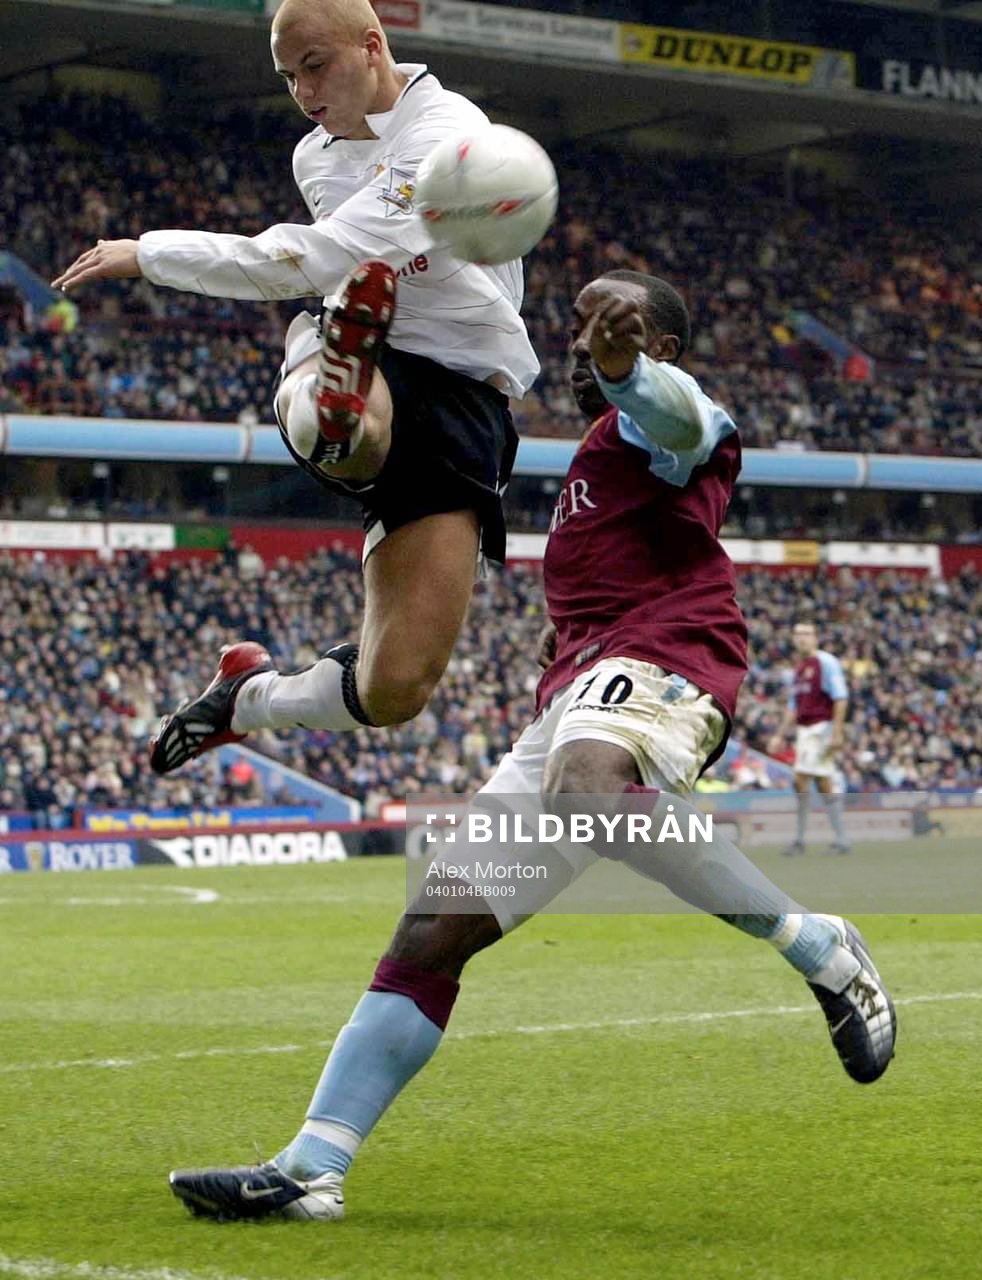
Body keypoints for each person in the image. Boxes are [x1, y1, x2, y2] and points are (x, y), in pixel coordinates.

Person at [167, 270, 896, 1223]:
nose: (584, 335)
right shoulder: (594, 455)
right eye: (583, 319)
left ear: (658, 347)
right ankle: (313, 1168)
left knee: (587, 783)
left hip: (662, 666)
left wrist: (632, 370)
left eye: (612, 322)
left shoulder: (668, 423)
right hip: (579, 693)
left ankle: (820, 946)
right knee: (432, 932)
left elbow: (681, 423)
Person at [51, 0, 539, 768]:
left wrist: (150, 252)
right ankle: (333, 389)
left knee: (395, 689)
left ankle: (248, 696)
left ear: (372, 46)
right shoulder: (314, 156)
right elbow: (323, 270)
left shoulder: (443, 137)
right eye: (286, 75)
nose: (302, 90)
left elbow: (313, 256)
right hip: (375, 348)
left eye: (316, 65)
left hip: (465, 394)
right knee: (350, 410)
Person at [769, 621, 851, 855]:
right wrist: (779, 735)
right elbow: (793, 707)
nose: (801, 638)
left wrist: (837, 732)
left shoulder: (825, 662)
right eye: (797, 634)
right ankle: (840, 839)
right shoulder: (798, 669)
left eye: (806, 634)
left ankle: (800, 840)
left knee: (800, 780)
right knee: (822, 784)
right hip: (805, 732)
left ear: (816, 637)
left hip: (821, 729)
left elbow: (840, 698)